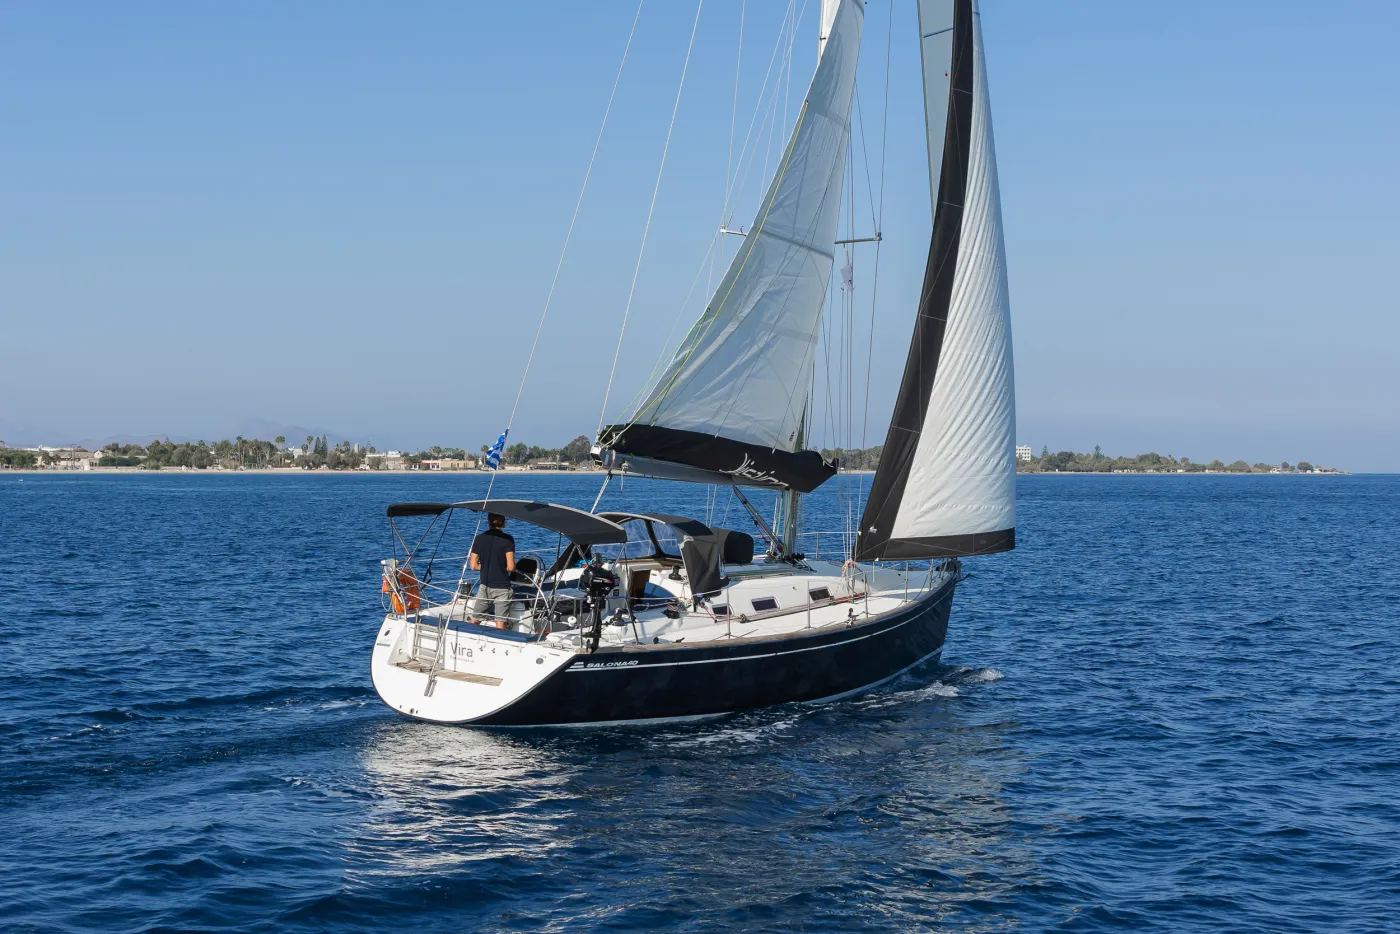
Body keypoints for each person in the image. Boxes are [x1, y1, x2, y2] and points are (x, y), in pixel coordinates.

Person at [470, 513, 515, 627]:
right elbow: (511, 567)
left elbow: (473, 566)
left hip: (485, 586)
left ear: (488, 522)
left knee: (475, 619)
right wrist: (499, 566)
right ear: (503, 522)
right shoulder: (508, 539)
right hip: (502, 587)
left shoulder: (479, 539)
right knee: (500, 622)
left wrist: (487, 565)